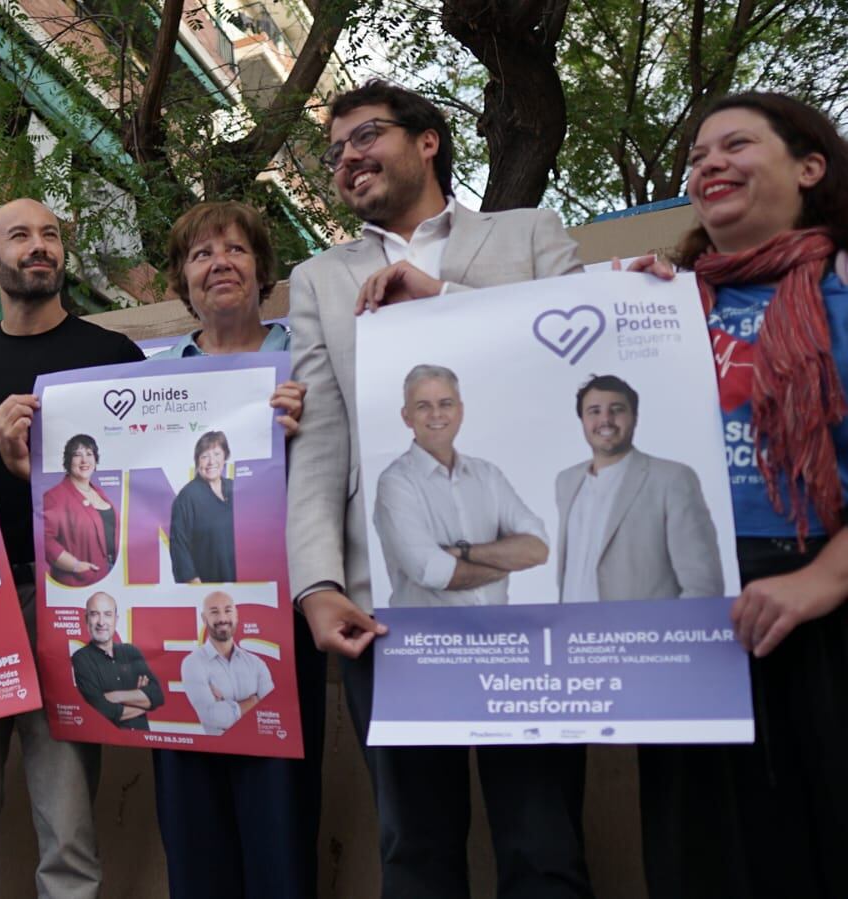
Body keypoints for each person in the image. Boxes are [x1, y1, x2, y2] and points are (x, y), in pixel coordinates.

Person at [286, 80, 592, 897]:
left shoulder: (529, 235)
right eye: (335, 149)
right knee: (412, 843)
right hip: (381, 605)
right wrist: (315, 584)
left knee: (542, 834)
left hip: (531, 604)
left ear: (427, 141)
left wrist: (445, 302)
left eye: (365, 135)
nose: (347, 157)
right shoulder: (317, 279)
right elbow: (320, 444)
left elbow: (576, 360)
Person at [622, 91, 848, 899]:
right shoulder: (655, 308)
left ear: (808, 168)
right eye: (696, 154)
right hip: (690, 620)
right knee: (703, 862)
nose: (708, 161)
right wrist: (427, 306)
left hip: (823, 609)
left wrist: (823, 578)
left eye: (735, 145)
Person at [0, 197, 145, 899]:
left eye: (51, 234)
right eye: (19, 235)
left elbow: (143, 494)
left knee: (69, 831)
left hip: (72, 604)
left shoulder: (112, 358)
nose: (39, 246)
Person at [149, 199, 323, 899]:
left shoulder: (306, 357)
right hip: (171, 621)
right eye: (200, 253)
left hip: (284, 614)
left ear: (261, 270)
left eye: (234, 250)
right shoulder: (150, 377)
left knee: (279, 819)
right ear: (182, 281)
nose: (218, 263)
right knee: (191, 831)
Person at [373, 364, 549, 608]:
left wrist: (464, 553)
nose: (436, 414)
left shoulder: (488, 476)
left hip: (501, 636)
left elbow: (537, 549)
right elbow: (433, 571)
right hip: (428, 640)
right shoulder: (395, 483)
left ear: (460, 411)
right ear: (406, 417)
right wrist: (503, 564)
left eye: (445, 404)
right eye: (423, 406)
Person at [553, 375, 722, 603]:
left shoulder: (672, 479)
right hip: (573, 632)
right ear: (582, 420)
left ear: (635, 417)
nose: (606, 420)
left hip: (643, 634)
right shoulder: (566, 482)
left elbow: (703, 585)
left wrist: (676, 635)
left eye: (617, 409)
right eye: (594, 411)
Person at [179, 591, 273, 735]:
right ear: (204, 618)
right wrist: (254, 701)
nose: (222, 618)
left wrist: (226, 707)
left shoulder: (256, 663)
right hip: (213, 753)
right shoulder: (193, 663)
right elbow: (213, 718)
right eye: (214, 612)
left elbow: (272, 712)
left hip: (258, 749)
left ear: (236, 615)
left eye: (228, 611)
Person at [69, 592, 163, 729]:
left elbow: (157, 696)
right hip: (109, 743)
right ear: (86, 619)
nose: (101, 622)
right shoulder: (81, 658)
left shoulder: (131, 651)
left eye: (107, 614)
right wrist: (142, 701)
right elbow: (105, 710)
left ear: (116, 619)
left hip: (142, 737)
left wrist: (116, 696)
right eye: (95, 614)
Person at [42, 435, 118, 586]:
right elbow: (45, 540)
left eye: (89, 454)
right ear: (68, 460)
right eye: (77, 455)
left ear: (96, 460)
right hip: (81, 582)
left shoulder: (98, 492)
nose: (84, 461)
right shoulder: (54, 497)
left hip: (110, 575)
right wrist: (75, 566)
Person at [169, 431, 236, 584]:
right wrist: (196, 589)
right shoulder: (187, 497)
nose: (211, 461)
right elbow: (179, 548)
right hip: (208, 590)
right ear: (197, 461)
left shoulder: (236, 489)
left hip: (244, 583)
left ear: (225, 457)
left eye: (217, 454)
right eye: (205, 456)